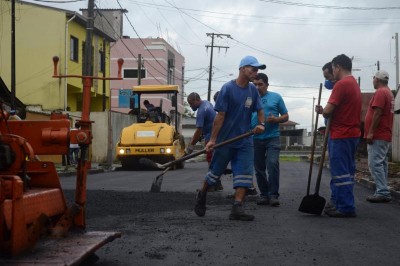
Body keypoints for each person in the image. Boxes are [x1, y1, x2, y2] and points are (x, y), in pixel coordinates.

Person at [194, 55, 266, 221]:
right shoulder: (227, 88)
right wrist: (212, 140)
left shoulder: (253, 90)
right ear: (242, 68)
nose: (256, 72)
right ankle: (202, 193)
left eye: (257, 70)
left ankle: (237, 207)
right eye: (253, 68)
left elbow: (260, 110)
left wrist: (261, 124)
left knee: (245, 174)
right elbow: (220, 116)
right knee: (214, 174)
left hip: (245, 140)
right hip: (225, 140)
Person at [316, 54, 361, 218]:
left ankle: (345, 206)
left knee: (340, 172)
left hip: (341, 134)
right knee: (347, 172)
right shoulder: (354, 83)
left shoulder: (341, 84)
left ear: (338, 67)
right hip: (352, 133)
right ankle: (337, 202)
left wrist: (323, 111)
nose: (332, 72)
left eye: (333, 68)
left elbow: (329, 110)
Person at [251, 73, 289, 207]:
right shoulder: (249, 99)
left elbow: (285, 116)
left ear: (267, 85)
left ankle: (273, 195)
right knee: (259, 168)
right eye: (255, 84)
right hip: (255, 139)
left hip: (272, 137)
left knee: (272, 164)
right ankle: (264, 195)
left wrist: (276, 119)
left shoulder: (276, 97)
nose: (257, 87)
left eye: (260, 84)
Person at [364, 70, 394, 203]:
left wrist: (370, 132)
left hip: (378, 134)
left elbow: (377, 113)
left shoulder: (381, 93)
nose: (373, 81)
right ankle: (382, 190)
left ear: (377, 79)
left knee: (375, 163)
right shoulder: (389, 93)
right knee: (382, 163)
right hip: (385, 133)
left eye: (373, 78)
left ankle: (382, 191)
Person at [186, 92, 223, 191]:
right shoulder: (207, 103)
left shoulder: (201, 111)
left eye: (191, 103)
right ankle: (217, 183)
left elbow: (198, 130)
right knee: (213, 160)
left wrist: (191, 146)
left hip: (211, 137)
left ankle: (211, 184)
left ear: (197, 100)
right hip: (216, 134)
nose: (191, 106)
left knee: (211, 160)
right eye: (189, 104)